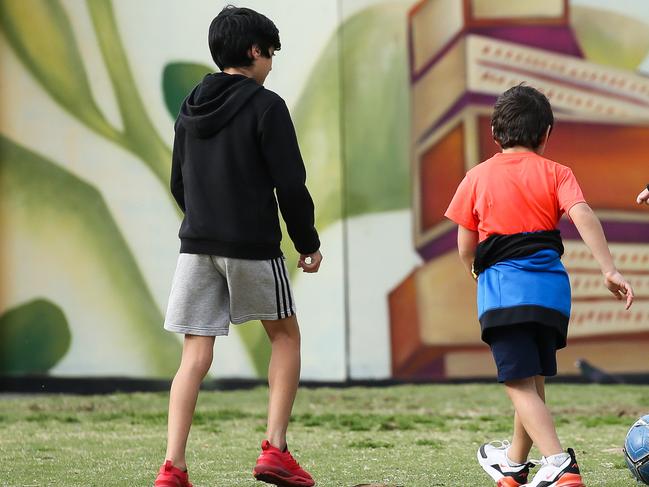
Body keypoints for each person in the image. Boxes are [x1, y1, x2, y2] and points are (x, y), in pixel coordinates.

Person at [154, 6, 321, 487]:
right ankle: (276, 449)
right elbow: (290, 185)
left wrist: (204, 220)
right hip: (252, 245)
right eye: (270, 53)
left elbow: (178, 182)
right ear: (254, 51)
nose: (272, 63)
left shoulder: (189, 106)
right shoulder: (267, 106)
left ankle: (173, 467)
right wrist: (306, 243)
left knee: (194, 354)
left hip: (197, 246)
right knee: (285, 337)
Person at [445, 85, 634, 487]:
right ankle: (513, 465)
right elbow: (583, 215)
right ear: (546, 134)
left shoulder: (476, 176)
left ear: (495, 134)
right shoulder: (558, 172)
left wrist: (473, 271)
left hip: (505, 293)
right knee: (531, 379)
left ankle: (558, 463)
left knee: (517, 383)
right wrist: (609, 270)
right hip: (551, 296)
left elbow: (466, 243)